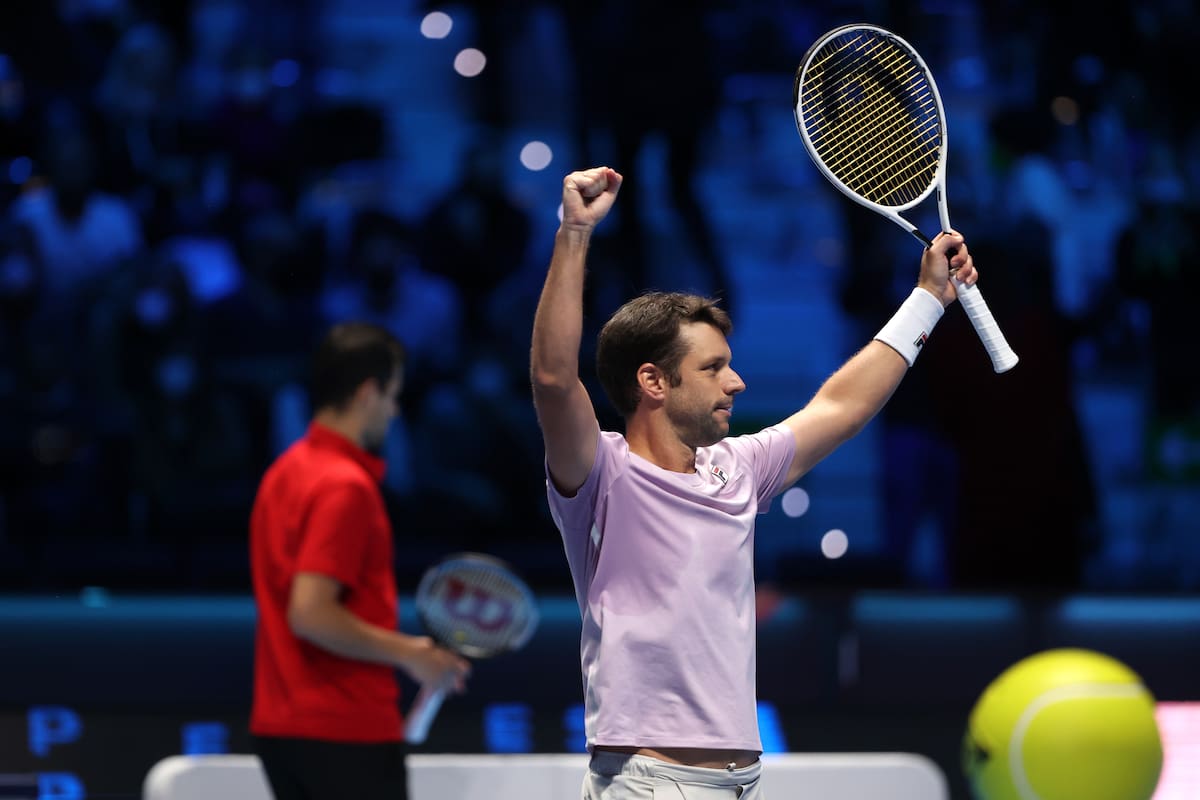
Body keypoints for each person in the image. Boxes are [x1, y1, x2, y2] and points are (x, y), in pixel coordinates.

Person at [530, 167, 979, 799]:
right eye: (713, 368)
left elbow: (842, 407)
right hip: (650, 783)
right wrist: (575, 232)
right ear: (653, 382)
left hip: (743, 781)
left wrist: (929, 297)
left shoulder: (738, 469)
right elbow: (553, 380)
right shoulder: (601, 472)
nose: (736, 383)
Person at [249, 321, 470, 800]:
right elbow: (311, 613)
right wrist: (412, 654)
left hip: (281, 730)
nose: (394, 411)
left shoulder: (282, 473)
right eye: (392, 396)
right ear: (367, 392)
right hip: (343, 729)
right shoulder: (344, 486)